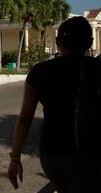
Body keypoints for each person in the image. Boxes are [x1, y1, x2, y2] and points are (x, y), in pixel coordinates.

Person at [8, 17, 101, 192]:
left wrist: (15, 158)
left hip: (53, 154)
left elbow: (24, 119)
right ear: (89, 43)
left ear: (58, 42)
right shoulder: (97, 68)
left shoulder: (40, 71)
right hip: (91, 152)